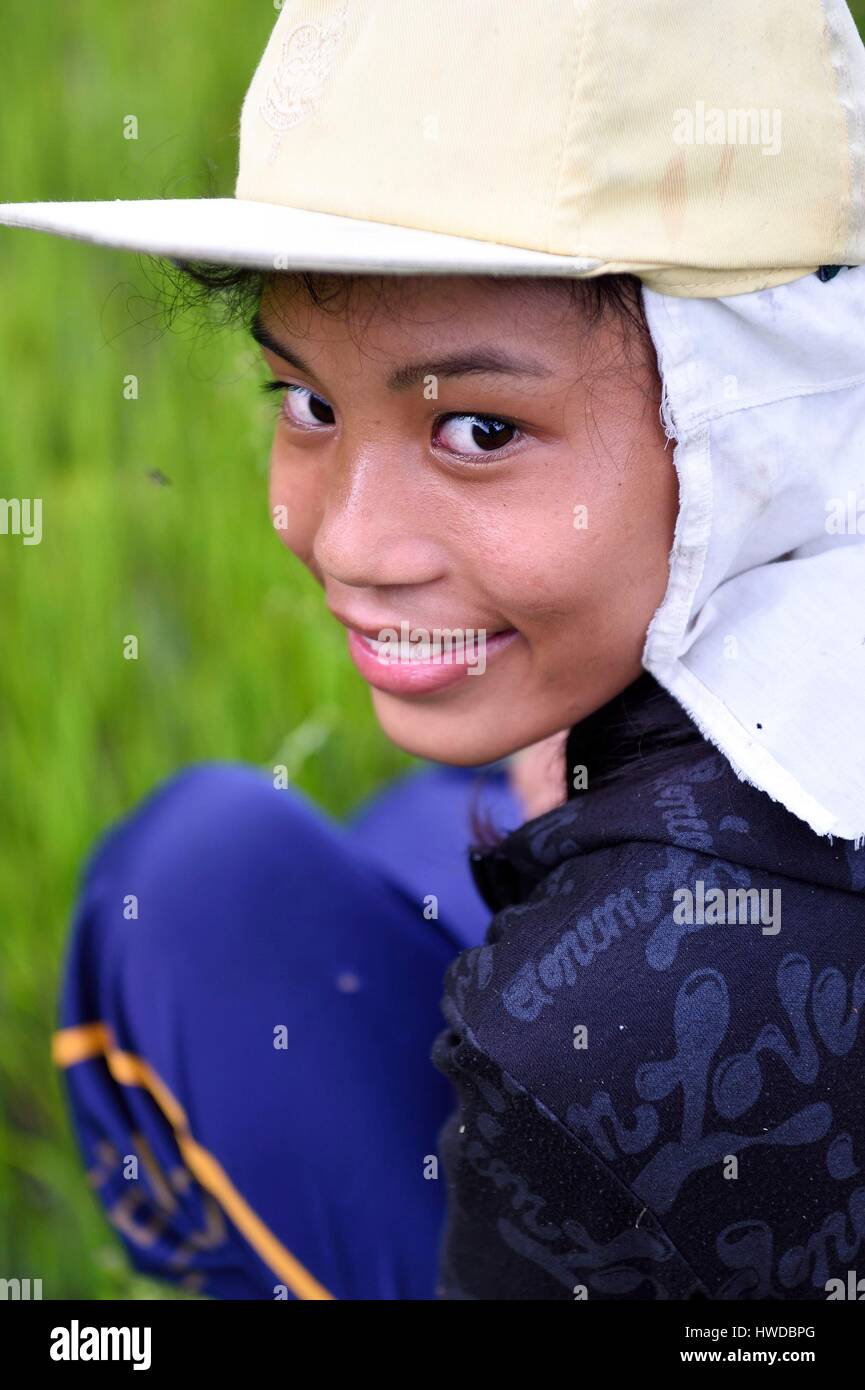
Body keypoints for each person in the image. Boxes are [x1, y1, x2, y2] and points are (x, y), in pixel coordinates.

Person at [4, 0, 865, 1300]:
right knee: (433, 820)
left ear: (734, 403)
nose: (345, 541)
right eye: (305, 401)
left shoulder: (586, 1053)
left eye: (476, 429)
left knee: (197, 891)